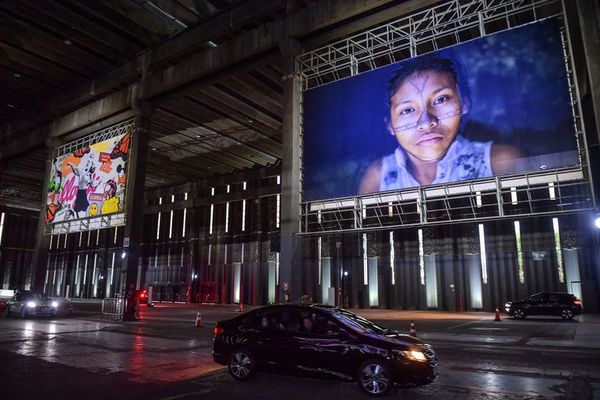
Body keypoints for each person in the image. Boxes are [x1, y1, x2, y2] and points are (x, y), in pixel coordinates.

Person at [359, 54, 521, 193]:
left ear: (464, 103)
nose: (426, 122)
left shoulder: (500, 163)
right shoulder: (378, 178)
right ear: (390, 125)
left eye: (440, 99)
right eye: (407, 110)